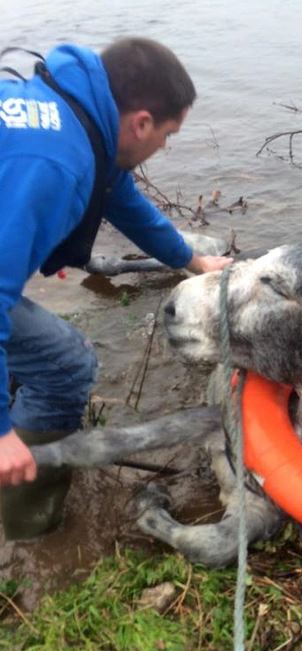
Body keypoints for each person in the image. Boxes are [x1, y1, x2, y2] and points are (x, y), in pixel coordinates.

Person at [0, 37, 233, 539]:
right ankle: (28, 527)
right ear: (141, 123)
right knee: (66, 364)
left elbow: (124, 203)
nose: (164, 148)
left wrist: (191, 260)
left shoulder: (75, 113)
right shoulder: (55, 163)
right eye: (168, 135)